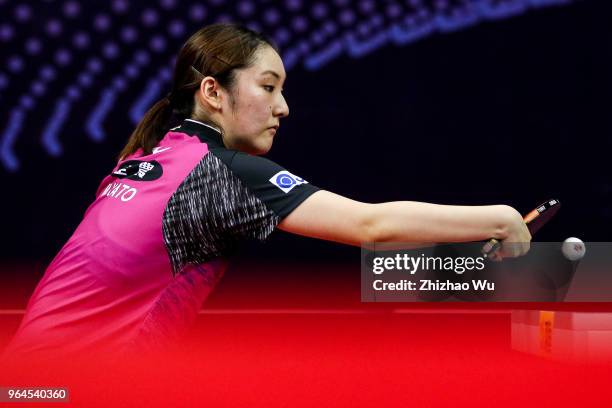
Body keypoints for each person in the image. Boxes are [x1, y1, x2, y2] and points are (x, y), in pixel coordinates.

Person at [2, 23, 530, 358]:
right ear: (213, 92)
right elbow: (373, 227)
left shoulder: (140, 160)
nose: (283, 108)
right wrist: (501, 219)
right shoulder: (217, 173)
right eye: (269, 87)